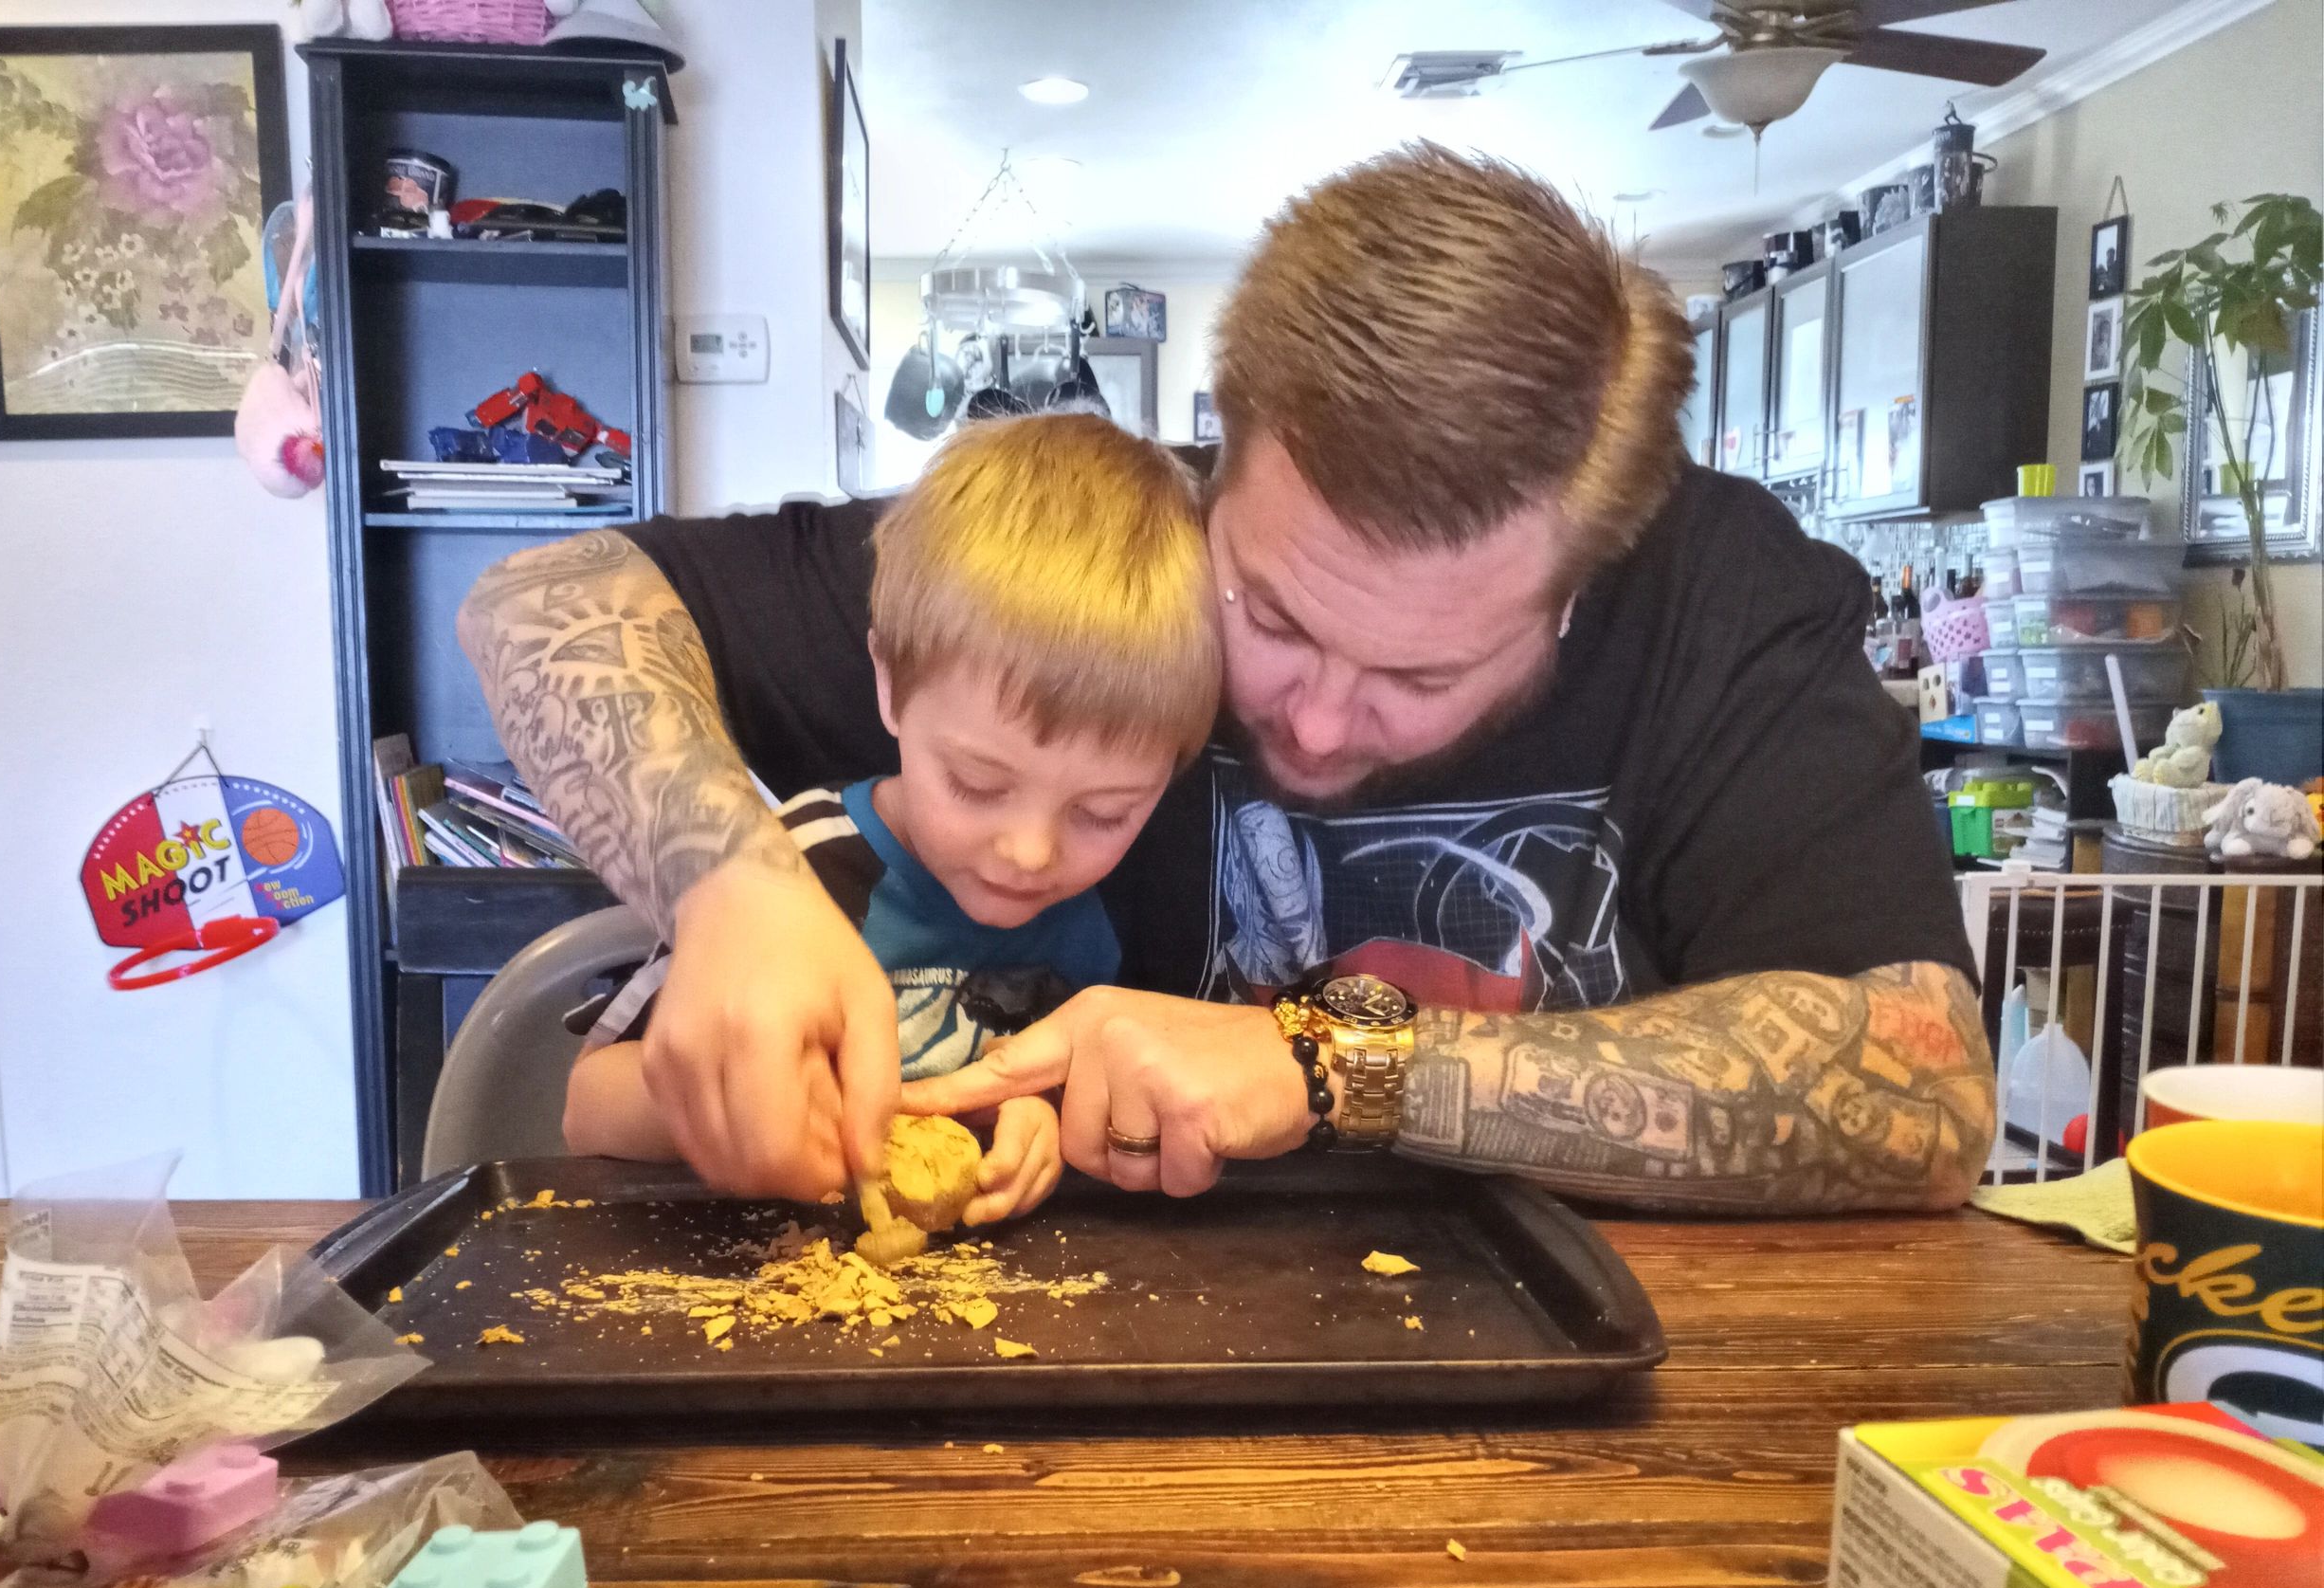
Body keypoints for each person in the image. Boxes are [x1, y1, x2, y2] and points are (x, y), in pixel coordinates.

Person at [459, 144, 1994, 1215]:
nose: (1318, 724)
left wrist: (1333, 1067)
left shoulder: (1719, 598)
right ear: (1222, 450)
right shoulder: (1096, 564)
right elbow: (544, 598)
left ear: (1582, 577)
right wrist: (729, 883)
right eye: (1269, 610)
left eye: (1423, 670)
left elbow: (1923, 1099)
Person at [554, 411, 1219, 1227]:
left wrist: (1038, 1121)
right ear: (891, 686)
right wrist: (775, 1101)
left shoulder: (1133, 908)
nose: (1031, 852)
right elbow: (589, 1104)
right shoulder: (796, 873)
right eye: (977, 784)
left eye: (1105, 814)